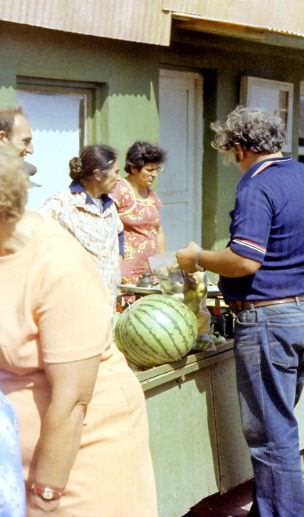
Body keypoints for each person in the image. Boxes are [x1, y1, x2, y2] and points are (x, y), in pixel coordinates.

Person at [175, 106, 304, 516]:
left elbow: (244, 260)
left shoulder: (255, 187)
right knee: (280, 425)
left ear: (239, 147)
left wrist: (198, 258)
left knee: (270, 435)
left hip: (268, 321)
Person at [0, 144, 157, 515]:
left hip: (77, 458)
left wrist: (44, 497)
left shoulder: (58, 268)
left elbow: (71, 401)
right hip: (13, 461)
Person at [41, 145, 123, 311]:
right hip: (75, 300)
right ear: (98, 174)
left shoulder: (109, 205)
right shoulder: (62, 203)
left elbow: (120, 233)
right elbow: (35, 238)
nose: (119, 178)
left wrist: (116, 263)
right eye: (116, 172)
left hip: (108, 298)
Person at [112, 141, 167, 283]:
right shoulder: (119, 190)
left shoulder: (150, 194)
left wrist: (161, 263)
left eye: (157, 170)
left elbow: (158, 230)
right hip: (127, 270)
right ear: (134, 168)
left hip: (150, 271)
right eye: (149, 170)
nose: (154, 175)